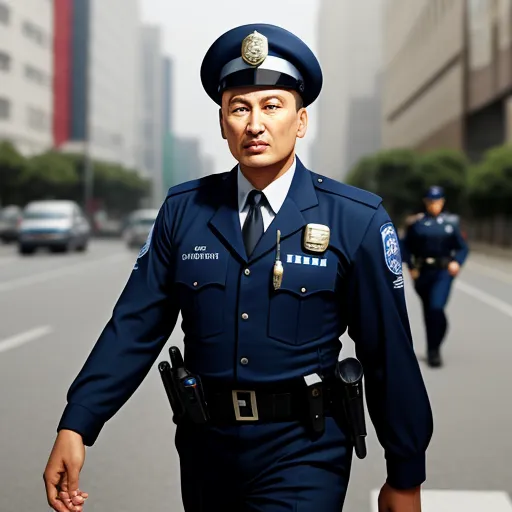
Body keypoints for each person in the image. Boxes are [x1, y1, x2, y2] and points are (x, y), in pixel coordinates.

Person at [43, 23, 433, 512]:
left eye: (272, 106)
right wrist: (78, 421)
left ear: (301, 119)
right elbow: (135, 326)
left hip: (304, 451)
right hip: (207, 450)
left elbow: (386, 353)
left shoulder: (355, 218)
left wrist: (405, 474)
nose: (255, 124)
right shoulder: (184, 211)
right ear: (223, 121)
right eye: (240, 108)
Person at [401, 186, 469, 368]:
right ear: (426, 202)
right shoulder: (417, 224)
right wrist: (410, 268)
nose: (434, 205)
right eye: (431, 202)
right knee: (429, 313)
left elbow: (463, 247)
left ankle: (435, 347)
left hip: (443, 272)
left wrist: (457, 262)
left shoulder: (451, 223)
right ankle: (432, 349)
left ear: (443, 202)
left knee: (436, 308)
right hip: (423, 273)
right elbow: (404, 247)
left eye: (438, 201)